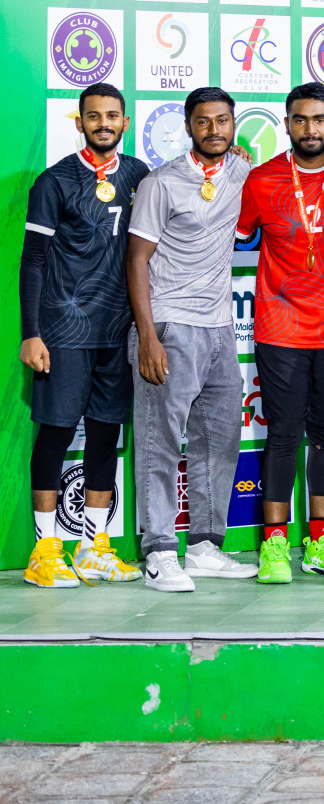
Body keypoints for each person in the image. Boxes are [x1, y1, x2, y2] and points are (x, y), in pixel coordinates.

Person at [126, 86, 256, 592]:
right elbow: (136, 259)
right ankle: (158, 551)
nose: (214, 130)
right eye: (204, 122)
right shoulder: (161, 183)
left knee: (219, 437)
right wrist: (147, 336)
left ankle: (203, 545)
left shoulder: (243, 172)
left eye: (223, 120)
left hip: (221, 325)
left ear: (233, 124)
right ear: (187, 126)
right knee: (160, 440)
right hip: (170, 324)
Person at [20, 83, 149, 588]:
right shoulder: (55, 182)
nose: (103, 123)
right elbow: (33, 262)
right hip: (63, 330)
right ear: (78, 122)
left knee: (105, 435)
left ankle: (94, 546)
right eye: (93, 116)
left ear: (125, 122)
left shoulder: (140, 175)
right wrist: (31, 333)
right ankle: (44, 550)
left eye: (112, 116)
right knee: (54, 434)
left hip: (117, 330)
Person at [236, 82, 324, 584]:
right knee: (283, 435)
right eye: (300, 120)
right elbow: (242, 235)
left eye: (319, 119)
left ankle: (320, 539)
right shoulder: (262, 178)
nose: (310, 129)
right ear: (286, 124)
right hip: (279, 324)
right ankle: (272, 545)